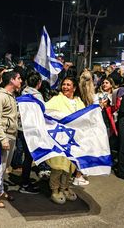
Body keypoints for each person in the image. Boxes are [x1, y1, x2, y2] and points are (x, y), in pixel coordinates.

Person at [44, 76, 84, 204]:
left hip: (73, 140)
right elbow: (45, 111)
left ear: (74, 87)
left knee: (71, 165)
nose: (65, 87)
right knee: (58, 165)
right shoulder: (56, 99)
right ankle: (55, 190)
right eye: (64, 84)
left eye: (68, 85)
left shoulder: (79, 102)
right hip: (59, 138)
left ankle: (65, 187)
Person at [0, 70, 23, 208]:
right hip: (4, 137)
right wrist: (2, 139)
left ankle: (0, 191)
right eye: (19, 78)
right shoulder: (0, 97)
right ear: (11, 80)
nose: (21, 81)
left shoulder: (11, 96)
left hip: (11, 135)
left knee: (4, 168)